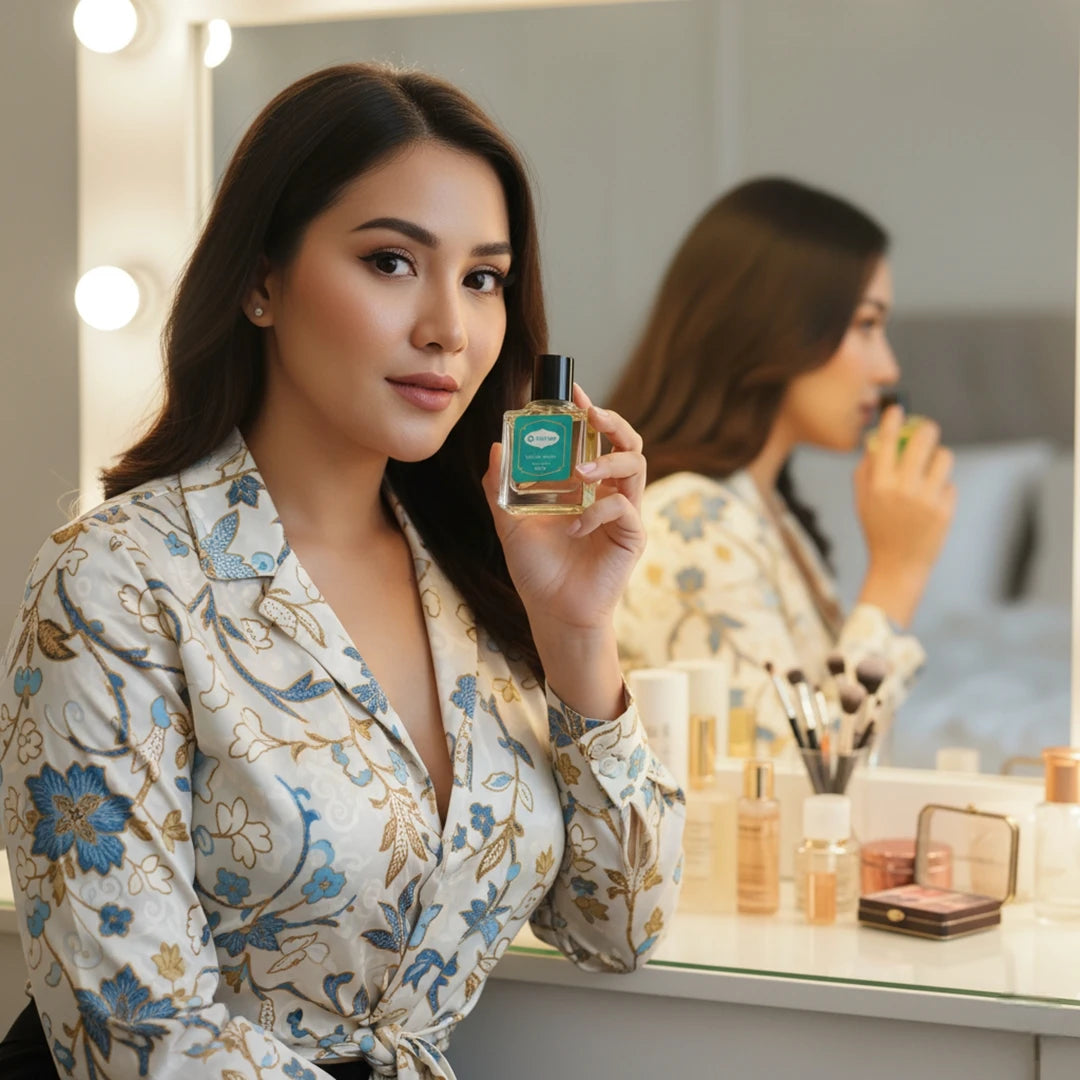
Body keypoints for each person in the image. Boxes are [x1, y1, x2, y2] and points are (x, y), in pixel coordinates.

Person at [0, 64, 684, 1080]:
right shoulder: (117, 583)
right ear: (261, 282)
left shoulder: (476, 575)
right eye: (391, 262)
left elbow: (618, 925)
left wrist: (577, 631)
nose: (449, 328)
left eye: (483, 278)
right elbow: (136, 1038)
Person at [610, 177, 956, 751]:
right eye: (866, 325)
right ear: (778, 324)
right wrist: (899, 572)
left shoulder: (764, 512)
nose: (888, 368)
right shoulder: (691, 524)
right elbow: (797, 774)